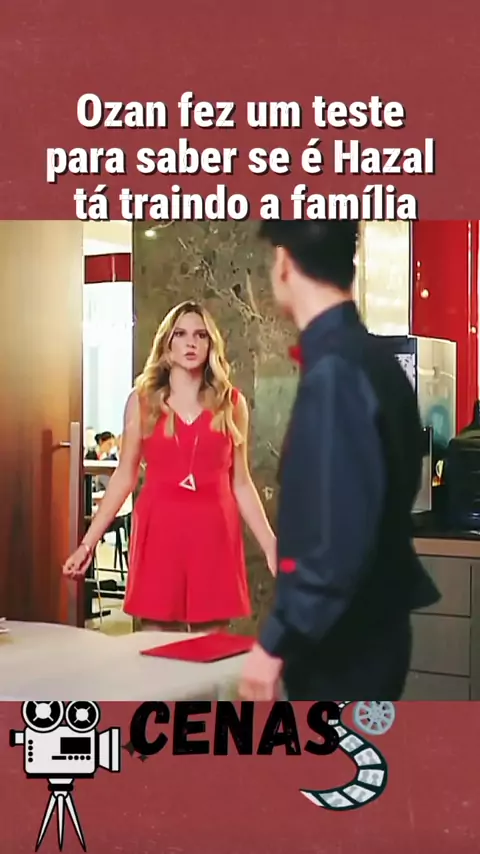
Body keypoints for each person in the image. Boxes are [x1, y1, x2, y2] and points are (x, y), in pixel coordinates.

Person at [239, 221, 440, 701]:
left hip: (343, 644)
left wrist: (275, 641)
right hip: (373, 630)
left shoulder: (335, 372)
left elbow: (335, 537)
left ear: (284, 264)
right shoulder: (373, 359)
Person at [63, 301, 276, 631]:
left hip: (214, 531)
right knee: (156, 641)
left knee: (210, 644)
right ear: (167, 343)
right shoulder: (142, 401)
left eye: (200, 335)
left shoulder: (230, 404)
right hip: (159, 529)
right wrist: (87, 544)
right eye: (181, 334)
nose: (191, 343)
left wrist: (271, 545)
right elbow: (124, 476)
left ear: (211, 345)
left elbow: (241, 482)